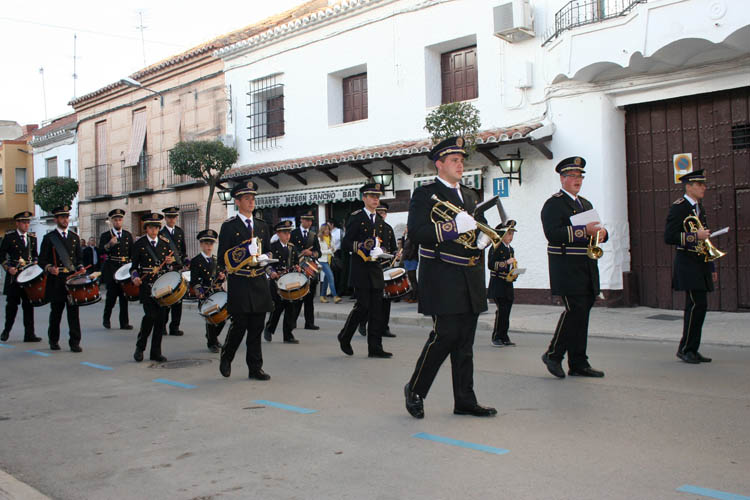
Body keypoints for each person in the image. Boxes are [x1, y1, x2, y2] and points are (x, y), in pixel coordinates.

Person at [403, 137, 496, 419]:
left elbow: (481, 227)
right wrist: (452, 227)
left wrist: (486, 237)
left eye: (462, 160)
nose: (460, 164)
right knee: (444, 336)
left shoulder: (469, 194)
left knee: (465, 341)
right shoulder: (425, 194)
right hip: (442, 275)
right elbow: (418, 232)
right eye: (454, 160)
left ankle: (465, 400)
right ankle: (415, 390)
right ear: (439, 164)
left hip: (470, 274)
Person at [540, 156, 608, 379]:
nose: (577, 180)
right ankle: (553, 354)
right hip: (566, 266)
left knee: (583, 312)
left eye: (580, 176)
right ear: (562, 178)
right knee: (575, 310)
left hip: (586, 266)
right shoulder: (554, 204)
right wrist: (582, 232)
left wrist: (603, 234)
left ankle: (579, 362)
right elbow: (552, 234)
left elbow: (594, 231)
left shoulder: (585, 204)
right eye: (572, 176)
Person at [217, 180, 274, 380]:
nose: (251, 202)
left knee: (257, 327)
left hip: (258, 280)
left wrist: (267, 259)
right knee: (240, 324)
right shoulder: (229, 227)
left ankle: (255, 368)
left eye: (252, 198)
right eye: (247, 199)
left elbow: (268, 250)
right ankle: (227, 356)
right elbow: (223, 256)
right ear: (237, 201)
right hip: (240, 282)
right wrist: (243, 254)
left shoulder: (261, 225)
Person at [664, 169, 718, 364]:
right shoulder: (679, 207)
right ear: (689, 186)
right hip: (687, 262)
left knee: (700, 306)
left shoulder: (699, 208)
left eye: (703, 184)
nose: (704, 187)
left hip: (700, 262)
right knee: (696, 305)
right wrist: (695, 236)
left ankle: (692, 348)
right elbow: (669, 236)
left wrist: (712, 266)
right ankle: (686, 348)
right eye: (699, 184)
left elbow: (704, 240)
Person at [336, 183, 392, 358]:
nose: (376, 199)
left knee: (377, 309)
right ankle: (345, 336)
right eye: (372, 196)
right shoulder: (357, 217)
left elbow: (386, 245)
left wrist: (382, 251)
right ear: (364, 198)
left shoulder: (381, 223)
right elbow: (346, 243)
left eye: (377, 196)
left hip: (375, 269)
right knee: (363, 307)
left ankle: (375, 347)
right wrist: (361, 247)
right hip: (360, 268)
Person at [38, 205, 84, 352]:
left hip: (71, 280)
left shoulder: (74, 237)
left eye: (66, 217)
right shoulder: (49, 238)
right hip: (57, 281)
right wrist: (50, 268)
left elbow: (79, 259)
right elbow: (41, 261)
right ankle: (53, 340)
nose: (65, 220)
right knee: (56, 313)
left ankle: (75, 342)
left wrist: (80, 267)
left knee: (73, 313)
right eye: (62, 217)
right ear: (56, 219)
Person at [130, 213, 173, 362]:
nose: (154, 230)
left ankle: (156, 352)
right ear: (146, 228)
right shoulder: (140, 244)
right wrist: (135, 277)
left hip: (162, 287)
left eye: (156, 227)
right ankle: (140, 347)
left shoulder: (165, 243)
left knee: (161, 320)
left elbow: (171, 266)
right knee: (150, 317)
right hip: (147, 286)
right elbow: (133, 267)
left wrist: (169, 262)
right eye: (151, 227)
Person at [0, 211, 41, 343]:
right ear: (17, 223)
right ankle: (6, 331)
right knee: (12, 306)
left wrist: (35, 261)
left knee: (29, 306)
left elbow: (35, 255)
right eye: (24, 222)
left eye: (28, 222)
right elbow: (1, 256)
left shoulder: (32, 238)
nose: (26, 225)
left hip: (28, 277)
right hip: (14, 276)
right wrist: (8, 268)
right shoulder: (9, 237)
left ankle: (29, 334)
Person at [358, 201, 397, 337]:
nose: (381, 214)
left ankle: (384, 327)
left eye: (383, 212)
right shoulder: (369, 227)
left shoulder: (389, 228)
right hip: (371, 266)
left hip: (385, 267)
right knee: (369, 300)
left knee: (385, 300)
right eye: (379, 212)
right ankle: (363, 323)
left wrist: (394, 255)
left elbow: (394, 248)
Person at [264, 220, 302, 344]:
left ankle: (288, 334)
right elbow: (266, 264)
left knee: (291, 308)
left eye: (288, 233)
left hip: (289, 281)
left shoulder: (292, 247)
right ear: (278, 234)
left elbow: (296, 262)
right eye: (285, 233)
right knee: (277, 307)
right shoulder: (272, 247)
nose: (287, 235)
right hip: (276, 281)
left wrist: (298, 268)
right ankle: (269, 329)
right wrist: (271, 272)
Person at [189, 229, 225, 353]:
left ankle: (213, 336)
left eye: (211, 244)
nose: (209, 246)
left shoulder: (216, 260)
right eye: (206, 243)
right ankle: (212, 342)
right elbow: (194, 280)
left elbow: (220, 279)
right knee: (211, 319)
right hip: (205, 293)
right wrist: (199, 292)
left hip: (217, 293)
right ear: (201, 244)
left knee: (222, 318)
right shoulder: (196, 261)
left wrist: (221, 278)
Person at [99, 209, 134, 330]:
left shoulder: (127, 235)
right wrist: (109, 244)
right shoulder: (106, 235)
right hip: (112, 268)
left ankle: (124, 323)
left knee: (124, 297)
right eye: (115, 220)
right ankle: (106, 319)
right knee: (111, 297)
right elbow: (101, 251)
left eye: (120, 220)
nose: (118, 222)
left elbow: (131, 253)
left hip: (124, 268)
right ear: (112, 221)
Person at [487, 220, 518, 347]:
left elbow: (511, 267)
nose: (511, 237)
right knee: (502, 310)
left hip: (507, 284)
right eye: (508, 234)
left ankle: (504, 336)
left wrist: (515, 272)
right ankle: (497, 336)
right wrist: (506, 263)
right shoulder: (495, 248)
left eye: (512, 234)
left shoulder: (511, 249)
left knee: (507, 311)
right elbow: (491, 265)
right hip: (498, 283)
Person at [290, 211, 321, 330]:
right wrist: (300, 253)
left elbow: (319, 252)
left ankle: (309, 323)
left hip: (310, 268)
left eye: (310, 220)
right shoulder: (293, 233)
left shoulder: (313, 235)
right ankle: (292, 322)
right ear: (301, 220)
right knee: (297, 297)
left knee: (309, 298)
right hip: (298, 268)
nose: (309, 222)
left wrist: (311, 253)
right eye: (306, 220)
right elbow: (290, 249)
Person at [161, 207, 187, 336]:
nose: (172, 219)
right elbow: (158, 253)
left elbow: (183, 251)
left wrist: (185, 262)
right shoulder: (161, 233)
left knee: (178, 299)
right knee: (166, 299)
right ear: (165, 218)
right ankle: (162, 326)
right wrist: (165, 259)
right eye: (169, 217)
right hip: (166, 270)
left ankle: (175, 326)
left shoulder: (180, 232)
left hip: (177, 269)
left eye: (174, 217)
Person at [317, 223, 341, 303]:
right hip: (322, 261)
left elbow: (334, 248)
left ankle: (322, 296)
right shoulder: (319, 239)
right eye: (326, 229)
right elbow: (319, 252)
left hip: (330, 260)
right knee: (331, 277)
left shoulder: (331, 237)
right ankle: (335, 296)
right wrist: (329, 251)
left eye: (328, 229)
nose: (327, 231)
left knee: (326, 279)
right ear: (322, 230)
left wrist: (333, 249)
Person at [402, 227, 419, 304]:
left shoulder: (413, 238)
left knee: (413, 279)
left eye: (407, 227)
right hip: (407, 259)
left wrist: (409, 257)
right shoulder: (407, 238)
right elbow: (403, 246)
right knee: (410, 279)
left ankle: (416, 297)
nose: (406, 229)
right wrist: (403, 236)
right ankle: (412, 296)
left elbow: (414, 249)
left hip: (411, 260)